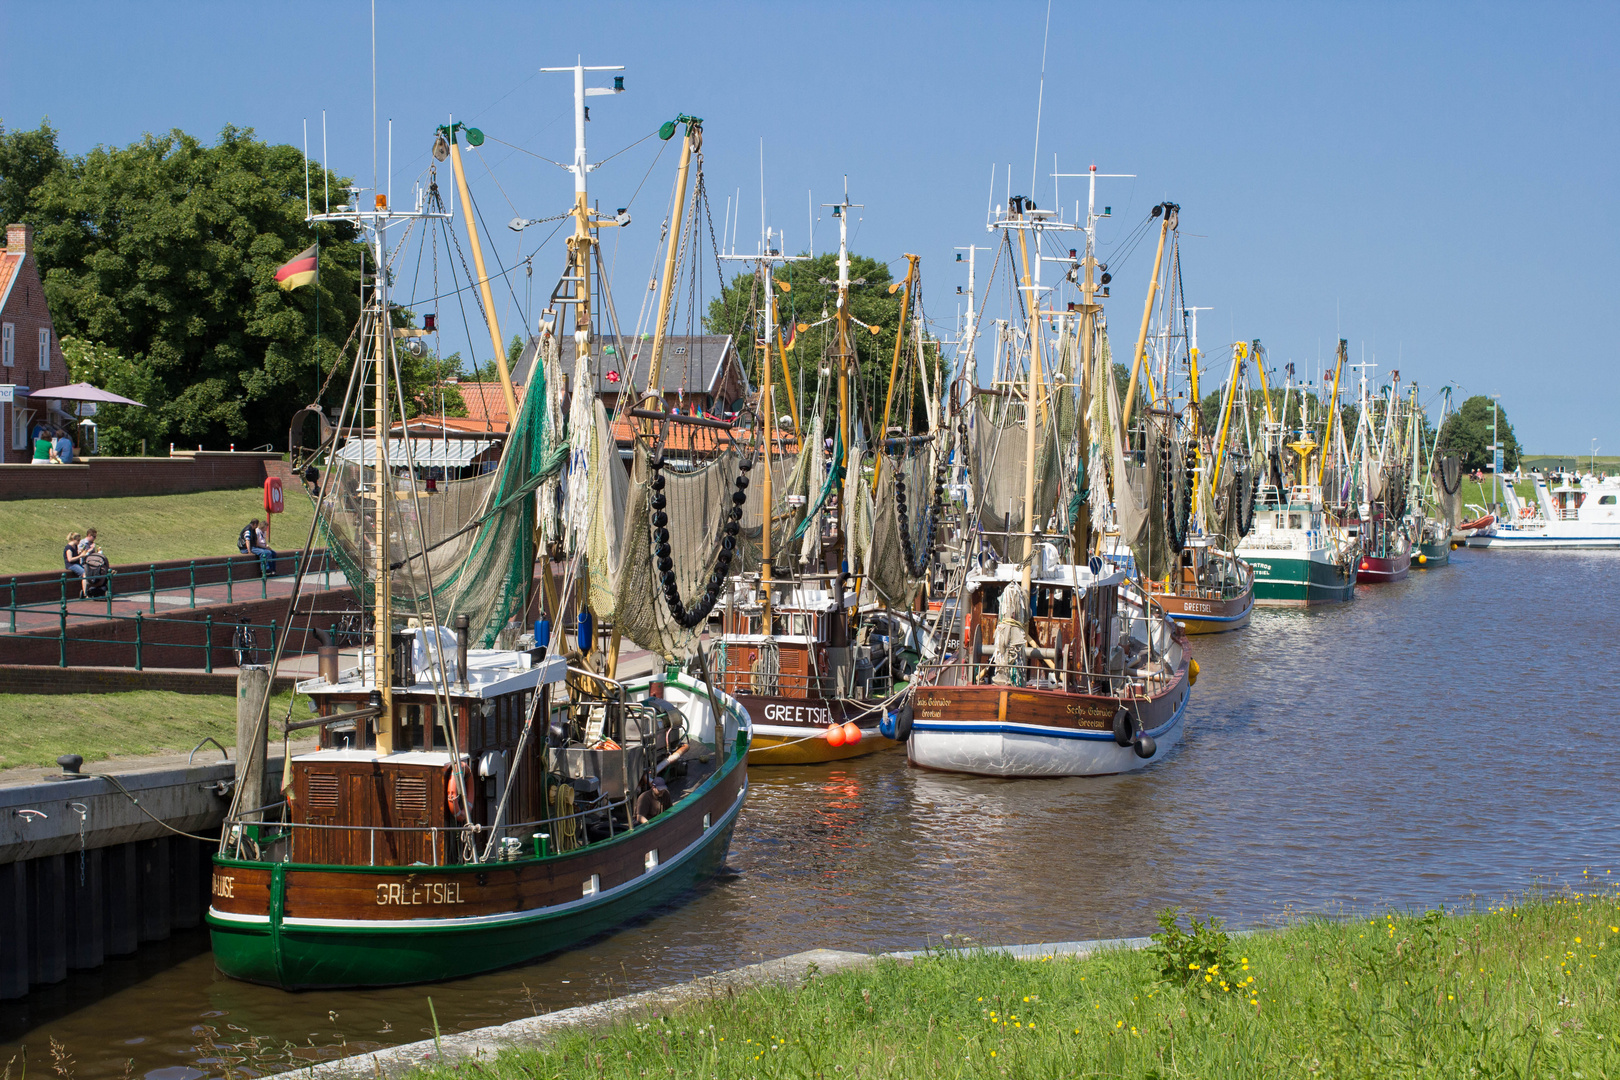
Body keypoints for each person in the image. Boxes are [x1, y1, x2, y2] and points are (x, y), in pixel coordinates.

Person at [64, 531, 87, 596]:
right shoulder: (69, 548)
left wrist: (79, 553)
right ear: (73, 539)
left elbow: (75, 556)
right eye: (78, 540)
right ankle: (85, 593)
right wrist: (80, 556)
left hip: (76, 563)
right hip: (71, 565)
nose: (79, 541)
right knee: (84, 574)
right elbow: (70, 559)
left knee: (88, 570)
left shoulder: (75, 546)